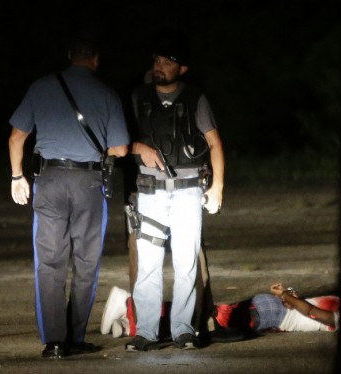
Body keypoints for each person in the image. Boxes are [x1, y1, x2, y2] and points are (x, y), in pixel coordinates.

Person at [8, 37, 130, 358]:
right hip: (89, 183)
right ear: (96, 59)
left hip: (48, 180)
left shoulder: (41, 86)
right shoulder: (106, 93)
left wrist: (17, 176)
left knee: (49, 261)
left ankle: (54, 341)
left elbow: (16, 137)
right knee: (86, 262)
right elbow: (120, 149)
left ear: (69, 55)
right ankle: (75, 336)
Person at [124, 29, 225, 352]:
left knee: (186, 262)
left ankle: (183, 329)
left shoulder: (195, 97)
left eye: (168, 62)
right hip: (150, 192)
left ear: (182, 69)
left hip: (187, 192)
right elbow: (120, 142)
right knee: (149, 263)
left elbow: (214, 143)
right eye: (157, 60)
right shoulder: (137, 97)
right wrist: (141, 147)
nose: (160, 66)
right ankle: (147, 331)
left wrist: (218, 187)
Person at [99, 283, 341, 343]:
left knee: (206, 323)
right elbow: (316, 314)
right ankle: (130, 304)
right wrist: (288, 297)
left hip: (271, 314)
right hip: (272, 314)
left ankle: (129, 324)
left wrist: (288, 296)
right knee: (209, 322)